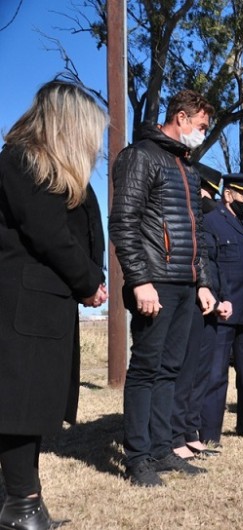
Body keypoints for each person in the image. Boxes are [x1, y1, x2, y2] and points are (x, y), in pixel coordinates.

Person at [0, 80, 107, 529]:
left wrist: (91, 277)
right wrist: (87, 281)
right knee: (18, 408)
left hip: (42, 306)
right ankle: (23, 506)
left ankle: (16, 502)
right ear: (68, 124)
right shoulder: (24, 159)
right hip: (25, 307)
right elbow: (49, 234)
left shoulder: (51, 168)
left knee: (26, 407)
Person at [110, 89, 217, 487]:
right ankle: (138, 457)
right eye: (202, 126)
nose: (203, 134)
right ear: (182, 118)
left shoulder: (187, 168)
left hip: (185, 285)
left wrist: (202, 283)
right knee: (146, 370)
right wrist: (140, 280)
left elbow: (197, 233)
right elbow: (124, 222)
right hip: (154, 282)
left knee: (170, 369)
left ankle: (161, 449)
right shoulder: (141, 156)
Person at [199, 173, 243, 444]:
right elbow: (211, 263)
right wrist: (217, 300)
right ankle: (209, 432)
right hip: (223, 309)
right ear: (228, 194)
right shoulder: (213, 221)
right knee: (216, 373)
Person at [171, 164, 232, 459]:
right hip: (192, 303)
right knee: (186, 373)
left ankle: (190, 432)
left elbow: (216, 265)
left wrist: (222, 299)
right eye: (208, 192)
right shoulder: (190, 219)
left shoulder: (208, 221)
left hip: (211, 305)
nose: (211, 199)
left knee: (201, 374)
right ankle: (176, 435)